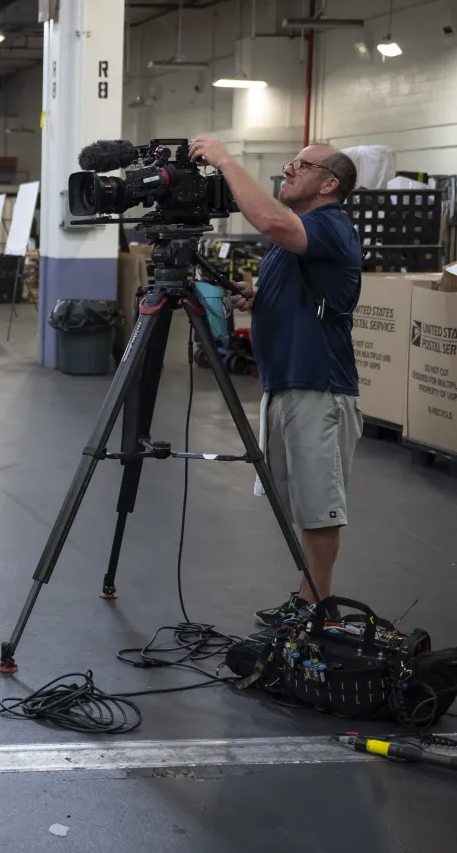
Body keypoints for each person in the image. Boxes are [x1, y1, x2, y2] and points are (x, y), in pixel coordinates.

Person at [188, 137, 362, 625]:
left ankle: (321, 611)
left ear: (329, 182)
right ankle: (308, 600)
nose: (288, 170)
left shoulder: (330, 225)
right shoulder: (302, 232)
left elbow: (269, 220)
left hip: (318, 385)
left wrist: (224, 160)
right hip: (285, 383)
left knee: (319, 508)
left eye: (300, 165)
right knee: (300, 504)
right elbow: (303, 282)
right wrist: (258, 293)